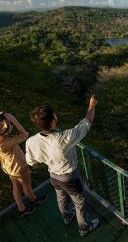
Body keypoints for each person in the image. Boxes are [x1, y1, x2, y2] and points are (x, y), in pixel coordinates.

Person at [26, 96, 99, 236]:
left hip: (53, 176)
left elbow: (30, 161)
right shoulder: (64, 138)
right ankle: (85, 227)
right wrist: (91, 105)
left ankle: (67, 217)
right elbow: (86, 123)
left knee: (61, 198)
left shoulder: (32, 141)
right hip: (70, 177)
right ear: (53, 122)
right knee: (79, 202)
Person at [0, 112, 47, 217]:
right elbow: (25, 134)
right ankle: (33, 199)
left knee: (15, 185)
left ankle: (22, 209)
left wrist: (3, 117)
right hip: (19, 166)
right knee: (26, 185)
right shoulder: (5, 142)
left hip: (9, 167)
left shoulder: (2, 140)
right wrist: (13, 119)